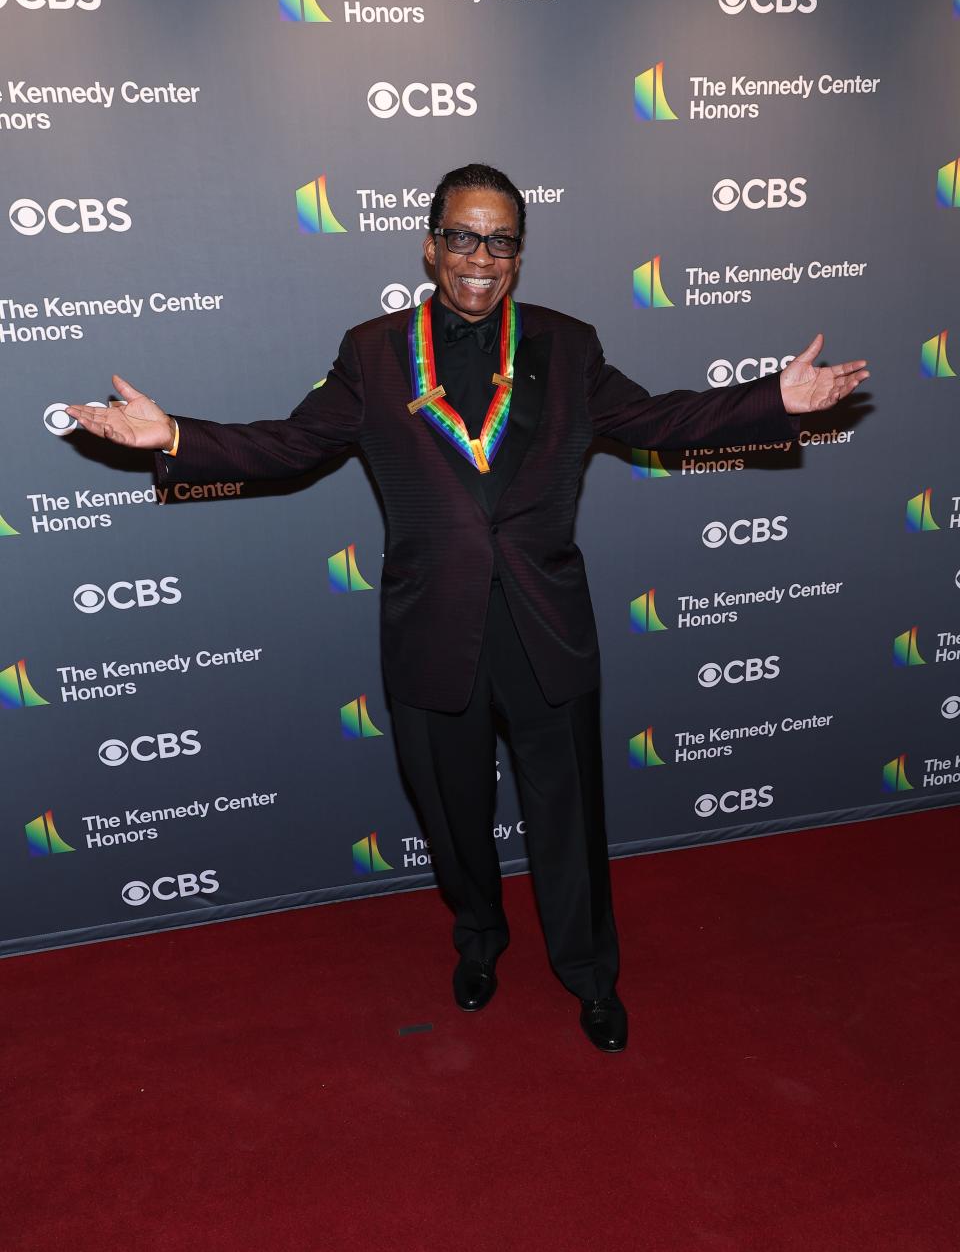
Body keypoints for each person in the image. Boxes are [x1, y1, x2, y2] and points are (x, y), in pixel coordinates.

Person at [67, 163, 869, 1053]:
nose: (479, 258)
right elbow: (289, 443)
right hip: (432, 632)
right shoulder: (373, 352)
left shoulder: (568, 345)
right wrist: (172, 434)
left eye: (499, 241)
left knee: (569, 815)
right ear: (430, 243)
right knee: (453, 818)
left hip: (545, 627)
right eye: (461, 237)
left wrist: (773, 400)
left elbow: (655, 421)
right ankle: (481, 939)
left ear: (519, 254)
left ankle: (589, 974)